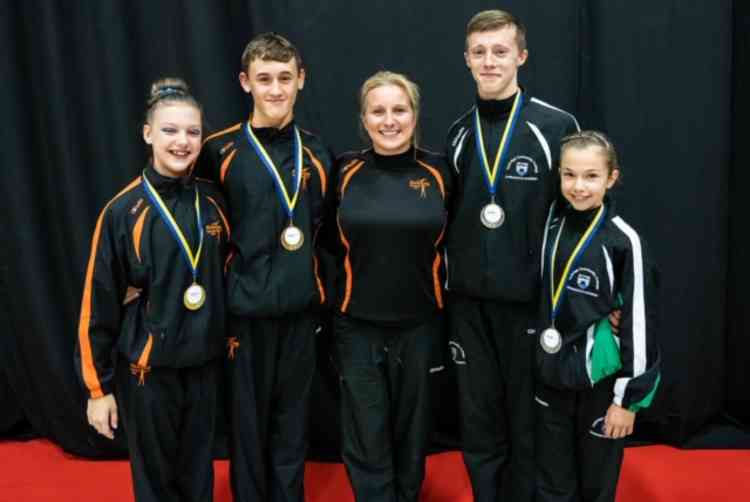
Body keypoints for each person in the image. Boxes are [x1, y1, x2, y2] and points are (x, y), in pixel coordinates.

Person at [444, 9, 581, 502]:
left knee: (528, 422)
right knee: (479, 422)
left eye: (500, 51)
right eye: (479, 52)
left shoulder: (555, 125)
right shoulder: (459, 133)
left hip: (529, 304)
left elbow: (578, 214)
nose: (489, 61)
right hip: (470, 309)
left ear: (521, 56)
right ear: (466, 60)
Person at [76, 78, 230, 502]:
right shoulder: (122, 211)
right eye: (169, 130)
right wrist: (97, 389)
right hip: (148, 371)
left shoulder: (215, 202)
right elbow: (98, 305)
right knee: (156, 483)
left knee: (199, 476)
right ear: (147, 133)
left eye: (193, 132)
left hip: (204, 367)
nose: (182, 142)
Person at [194, 33, 332, 502]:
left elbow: (326, 236)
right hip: (242, 316)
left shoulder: (318, 153)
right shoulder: (216, 152)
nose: (276, 90)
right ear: (245, 82)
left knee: (292, 423)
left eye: (285, 78)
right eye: (265, 79)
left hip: (299, 312)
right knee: (246, 427)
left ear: (301, 81)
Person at [325, 71, 451, 502]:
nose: (389, 120)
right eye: (378, 111)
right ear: (364, 118)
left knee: (412, 433)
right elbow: (324, 241)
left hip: (420, 325)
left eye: (399, 109)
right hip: (356, 325)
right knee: (366, 432)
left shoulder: (440, 171)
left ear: (415, 115)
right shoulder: (344, 170)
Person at [535, 130, 660, 502]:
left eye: (591, 176)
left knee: (596, 484)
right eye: (569, 175)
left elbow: (640, 322)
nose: (578, 186)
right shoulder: (550, 227)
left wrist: (626, 401)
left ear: (611, 178)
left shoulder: (624, 241)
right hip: (550, 374)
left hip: (600, 383)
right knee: (552, 482)